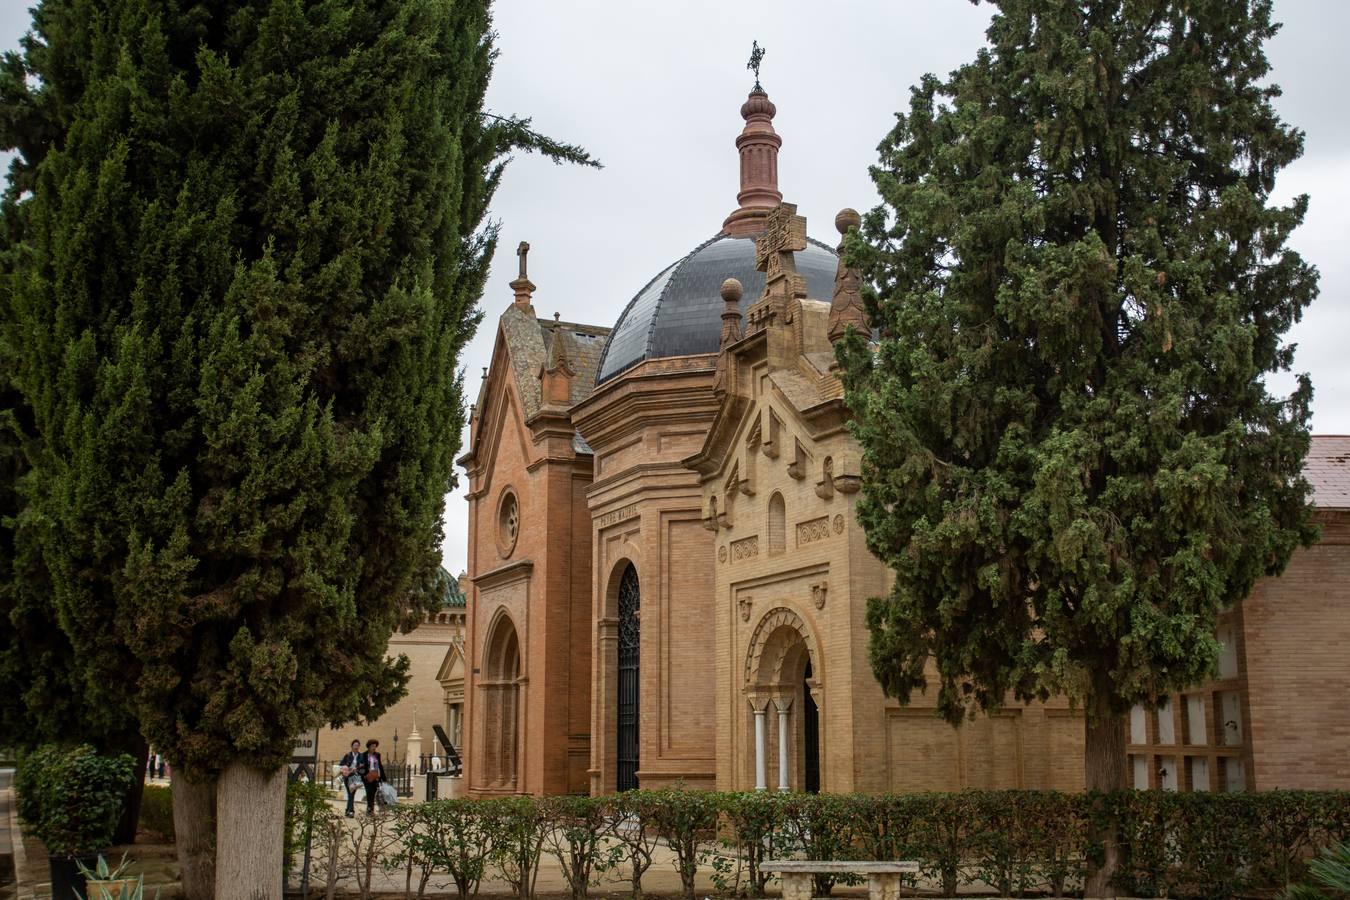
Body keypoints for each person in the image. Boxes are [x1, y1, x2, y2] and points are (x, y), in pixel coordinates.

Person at [357, 739, 386, 814]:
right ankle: (369, 810)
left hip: (376, 776)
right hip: (367, 777)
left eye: (375, 746)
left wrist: (383, 777)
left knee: (374, 793)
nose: (374, 747)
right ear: (369, 747)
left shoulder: (377, 755)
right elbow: (359, 766)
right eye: (372, 746)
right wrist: (364, 774)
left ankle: (371, 810)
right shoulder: (364, 755)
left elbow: (380, 766)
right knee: (369, 792)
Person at [338, 739, 362, 818]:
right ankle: (351, 811)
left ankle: (348, 810)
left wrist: (357, 768)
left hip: (356, 777)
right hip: (348, 776)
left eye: (357, 745)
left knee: (351, 794)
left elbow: (363, 765)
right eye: (355, 745)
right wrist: (346, 767)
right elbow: (341, 764)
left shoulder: (361, 756)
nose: (356, 747)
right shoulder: (348, 755)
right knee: (350, 793)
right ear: (352, 746)